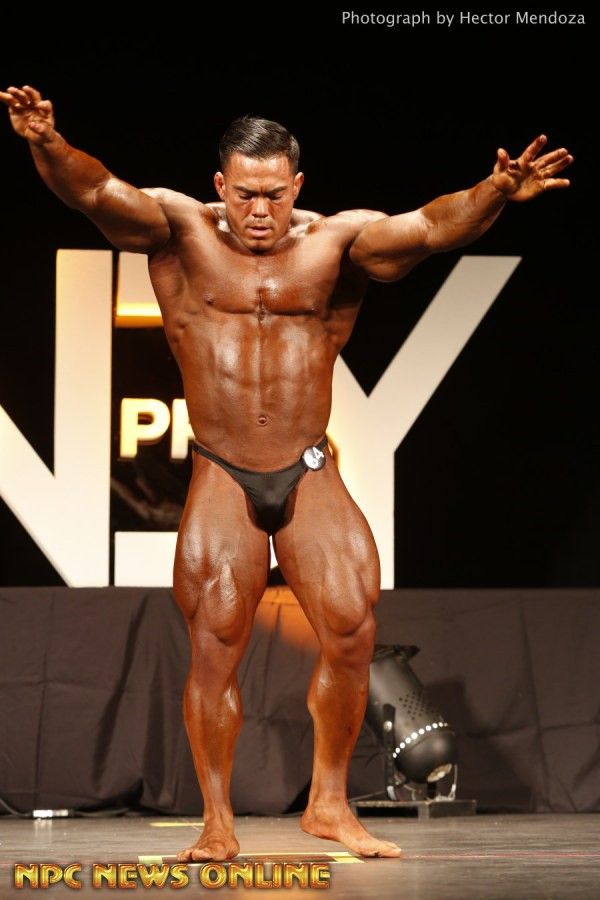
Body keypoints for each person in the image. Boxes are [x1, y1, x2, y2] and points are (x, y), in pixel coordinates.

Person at [1, 84, 572, 861]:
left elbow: (432, 227)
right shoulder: (179, 231)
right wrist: (48, 144)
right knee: (215, 644)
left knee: (351, 628)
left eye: (274, 194)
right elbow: (95, 191)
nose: (259, 211)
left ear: (297, 185)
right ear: (220, 184)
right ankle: (217, 822)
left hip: (307, 468)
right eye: (244, 194)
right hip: (222, 470)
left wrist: (495, 190)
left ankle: (328, 804)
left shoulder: (338, 243)